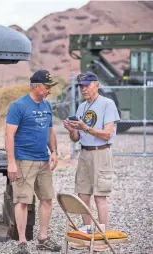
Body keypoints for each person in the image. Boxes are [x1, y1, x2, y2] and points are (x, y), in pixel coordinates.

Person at [63, 71, 120, 251]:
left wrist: (86, 128)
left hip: (100, 153)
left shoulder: (107, 104)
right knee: (82, 194)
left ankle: (102, 236)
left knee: (100, 196)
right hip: (84, 153)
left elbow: (107, 133)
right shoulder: (81, 107)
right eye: (81, 86)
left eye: (87, 85)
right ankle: (88, 232)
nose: (84, 89)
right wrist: (72, 130)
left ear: (96, 84)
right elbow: (76, 138)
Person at [6, 69, 62, 254]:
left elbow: (50, 131)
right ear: (36, 86)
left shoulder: (46, 106)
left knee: (47, 198)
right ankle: (22, 242)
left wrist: (53, 151)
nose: (49, 91)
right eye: (47, 87)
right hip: (24, 161)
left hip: (43, 161)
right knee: (22, 201)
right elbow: (9, 135)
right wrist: (11, 162)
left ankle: (43, 239)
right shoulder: (18, 106)